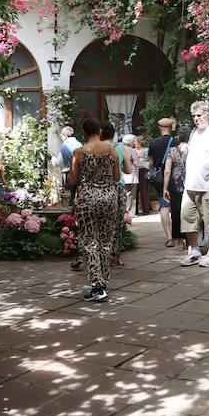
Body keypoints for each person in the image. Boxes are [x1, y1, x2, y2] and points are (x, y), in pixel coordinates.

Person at [67, 117, 120, 303]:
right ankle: (103, 281)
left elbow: (72, 181)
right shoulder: (112, 151)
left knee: (90, 241)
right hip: (108, 197)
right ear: (99, 132)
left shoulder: (79, 153)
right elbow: (117, 176)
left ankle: (97, 285)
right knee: (106, 239)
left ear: (83, 133)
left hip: (87, 198)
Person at [178, 101, 209, 267]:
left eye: (199, 115)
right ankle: (195, 252)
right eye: (194, 116)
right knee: (187, 218)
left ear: (207, 115)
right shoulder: (195, 133)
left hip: (207, 186)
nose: (196, 119)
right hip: (191, 185)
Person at [102, 122, 130, 266]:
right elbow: (129, 170)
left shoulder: (96, 149)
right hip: (118, 187)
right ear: (113, 134)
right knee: (117, 223)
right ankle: (114, 257)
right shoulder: (120, 148)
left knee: (102, 222)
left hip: (102, 188)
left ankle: (100, 255)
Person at [148, 118, 177, 244]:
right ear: (171, 128)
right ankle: (180, 238)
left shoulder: (154, 143)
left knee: (164, 205)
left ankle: (169, 237)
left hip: (160, 177)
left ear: (159, 127)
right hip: (175, 177)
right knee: (176, 206)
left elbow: (150, 163)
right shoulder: (176, 142)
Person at [161, 128, 189, 248]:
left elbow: (167, 171)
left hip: (176, 184)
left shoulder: (171, 150)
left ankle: (179, 239)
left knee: (176, 211)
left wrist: (165, 188)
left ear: (178, 138)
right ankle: (191, 239)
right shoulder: (193, 149)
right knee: (190, 211)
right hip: (190, 182)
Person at [60, 125, 82, 206]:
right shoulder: (79, 144)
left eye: (61, 135)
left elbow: (59, 162)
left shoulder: (64, 146)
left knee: (69, 196)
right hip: (80, 172)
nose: (61, 137)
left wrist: (54, 159)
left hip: (69, 172)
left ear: (64, 135)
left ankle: (69, 215)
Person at [132, 136, 151, 215]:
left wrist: (148, 165)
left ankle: (146, 209)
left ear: (139, 142)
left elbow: (150, 159)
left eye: (135, 141)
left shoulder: (146, 150)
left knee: (144, 190)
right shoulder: (132, 150)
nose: (134, 143)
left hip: (144, 170)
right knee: (135, 190)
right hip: (135, 171)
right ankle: (135, 210)